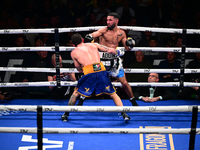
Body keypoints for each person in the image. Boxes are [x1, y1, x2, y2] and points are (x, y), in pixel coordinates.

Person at [61, 33, 130, 122]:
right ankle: (124, 114)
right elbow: (109, 50)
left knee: (76, 92)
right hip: (101, 70)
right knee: (112, 93)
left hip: (89, 72)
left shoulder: (74, 53)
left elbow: (78, 68)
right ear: (82, 39)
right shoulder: (94, 44)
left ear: (73, 44)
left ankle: (66, 114)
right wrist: (119, 52)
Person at [83, 12, 138, 106]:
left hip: (114, 61)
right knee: (90, 80)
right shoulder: (103, 30)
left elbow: (127, 47)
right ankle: (81, 100)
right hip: (101, 60)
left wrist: (130, 44)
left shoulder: (121, 33)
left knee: (124, 83)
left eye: (110, 20)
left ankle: (133, 101)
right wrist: (90, 36)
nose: (107, 22)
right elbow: (94, 34)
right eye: (107, 20)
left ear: (116, 21)